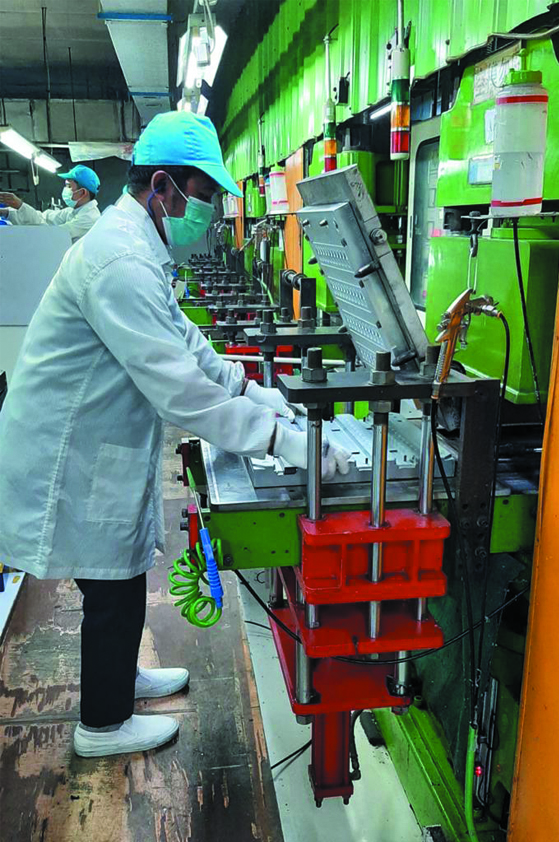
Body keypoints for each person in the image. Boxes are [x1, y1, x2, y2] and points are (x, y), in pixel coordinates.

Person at [0, 111, 349, 759]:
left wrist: (254, 392)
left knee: (120, 571)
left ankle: (120, 680)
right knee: (109, 582)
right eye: (204, 194)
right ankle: (102, 726)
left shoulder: (138, 250)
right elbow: (181, 391)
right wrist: (282, 443)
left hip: (93, 443)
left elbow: (191, 346)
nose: (208, 212)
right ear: (161, 186)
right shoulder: (120, 261)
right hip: (64, 453)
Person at [0, 164, 101, 243]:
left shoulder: (89, 218)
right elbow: (43, 217)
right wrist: (7, 212)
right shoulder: (72, 211)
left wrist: (20, 205)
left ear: (82, 193)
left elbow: (51, 234)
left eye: (69, 186)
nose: (65, 189)